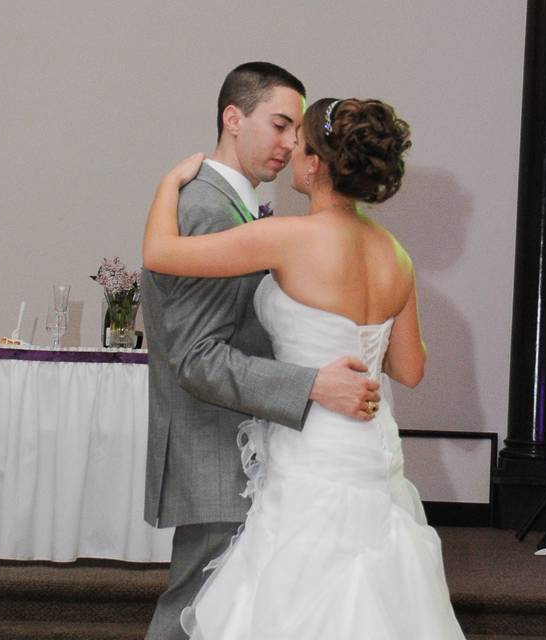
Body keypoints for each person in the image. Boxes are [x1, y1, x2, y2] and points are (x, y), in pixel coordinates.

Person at [143, 97, 465, 638]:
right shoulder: (396, 255)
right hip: (370, 451)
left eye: (302, 143)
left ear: (315, 165)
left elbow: (159, 253)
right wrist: (362, 337)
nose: (291, 147)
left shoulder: (288, 239)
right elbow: (409, 369)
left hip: (312, 446)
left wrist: (167, 185)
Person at [140, 64, 382, 640]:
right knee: (192, 618)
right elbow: (196, 358)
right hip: (218, 450)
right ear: (232, 118)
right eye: (278, 125)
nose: (290, 144)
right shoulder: (205, 208)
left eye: (296, 132)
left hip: (249, 450)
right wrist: (311, 384)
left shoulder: (237, 209)